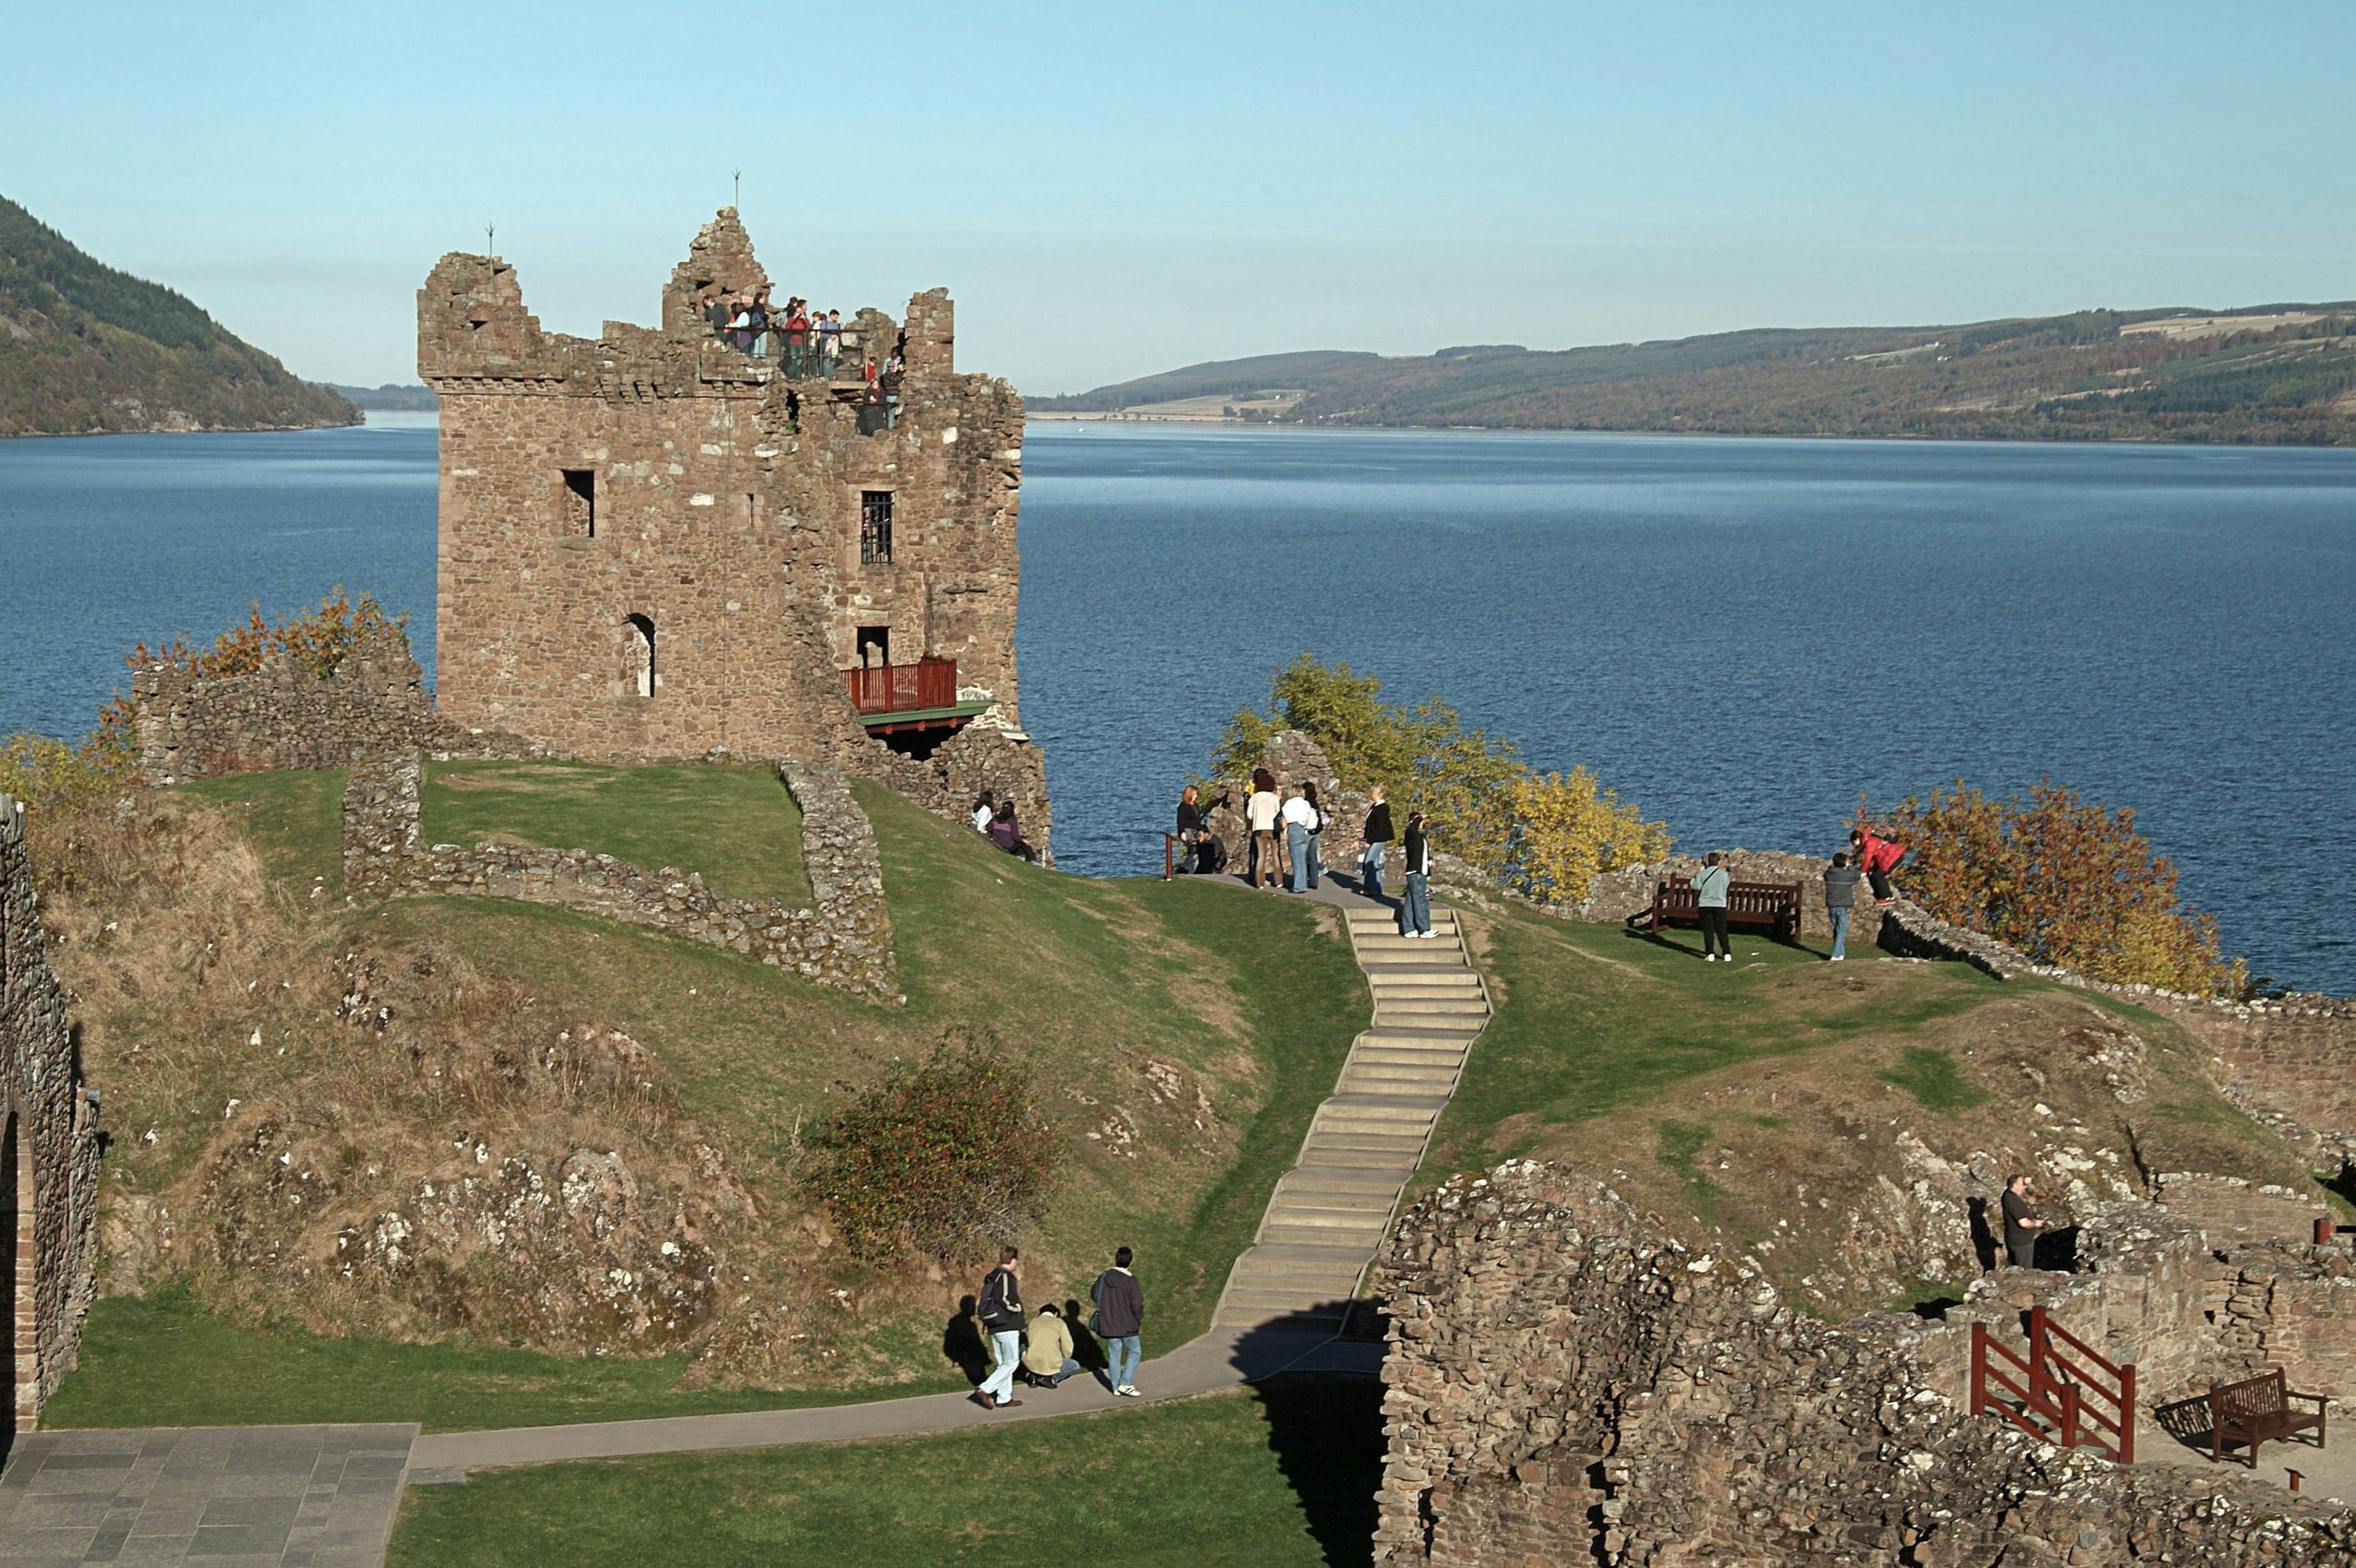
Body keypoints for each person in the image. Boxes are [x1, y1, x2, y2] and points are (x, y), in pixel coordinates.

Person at [973, 1246, 1027, 1409]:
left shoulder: (992, 1275)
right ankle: (985, 1389)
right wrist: (1016, 1308)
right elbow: (1003, 1297)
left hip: (994, 1325)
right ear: (1013, 1260)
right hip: (1007, 1323)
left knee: (1003, 1363)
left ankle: (1004, 1397)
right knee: (1011, 1362)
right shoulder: (1005, 1276)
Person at [1091, 1245, 1145, 1398]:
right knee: (1135, 1352)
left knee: (1114, 1355)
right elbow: (1137, 1303)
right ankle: (1126, 1383)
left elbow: (1095, 1295)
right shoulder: (1130, 1281)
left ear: (1116, 1259)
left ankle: (1115, 1386)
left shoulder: (1104, 1277)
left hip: (1108, 1323)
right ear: (1130, 1261)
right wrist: (1138, 1317)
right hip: (1128, 1325)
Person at [1019, 1301, 1082, 1388]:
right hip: (1050, 1361)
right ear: (1055, 1313)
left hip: (1031, 1360)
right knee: (1074, 1365)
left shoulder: (1033, 1322)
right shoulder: (1059, 1322)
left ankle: (1031, 1374)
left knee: (1024, 1347)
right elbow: (1067, 1344)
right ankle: (1050, 1379)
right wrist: (1066, 1356)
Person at [1851, 827, 1906, 907]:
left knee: (1878, 876)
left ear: (1856, 839)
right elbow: (1876, 855)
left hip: (1893, 857)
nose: (1854, 845)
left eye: (1853, 842)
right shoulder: (1870, 838)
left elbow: (1868, 858)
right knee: (1875, 875)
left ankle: (1886, 897)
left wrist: (1863, 872)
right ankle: (1884, 896)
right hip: (1892, 855)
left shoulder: (1869, 842)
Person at [1693, 851, 1732, 962]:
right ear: (1718, 862)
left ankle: (1710, 953)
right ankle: (1726, 953)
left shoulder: (1703, 873)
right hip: (1719, 904)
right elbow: (1726, 885)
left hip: (1705, 904)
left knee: (1708, 930)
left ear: (1708, 862)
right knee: (1722, 929)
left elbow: (1695, 885)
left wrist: (1698, 873)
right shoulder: (1723, 874)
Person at [1823, 851, 1862, 961]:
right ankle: (1835, 954)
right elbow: (1857, 875)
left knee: (1836, 930)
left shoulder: (1829, 874)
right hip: (1842, 905)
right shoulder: (1846, 875)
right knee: (1842, 930)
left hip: (1831, 905)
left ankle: (1841, 954)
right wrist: (1850, 867)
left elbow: (1828, 871)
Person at [1246, 769, 1282, 888]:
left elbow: (1249, 815)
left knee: (1261, 856)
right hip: (1272, 828)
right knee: (1275, 855)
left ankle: (1259, 882)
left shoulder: (1254, 798)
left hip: (1259, 828)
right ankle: (1278, 881)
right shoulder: (1274, 798)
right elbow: (1278, 812)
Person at [1400, 810, 1434, 937]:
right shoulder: (1410, 832)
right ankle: (1424, 929)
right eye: (1419, 821)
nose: (1421, 823)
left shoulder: (1420, 836)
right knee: (1420, 900)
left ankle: (1408, 929)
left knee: (1410, 901)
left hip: (1421, 871)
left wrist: (1429, 860)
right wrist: (1419, 817)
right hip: (1415, 872)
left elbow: (1421, 853)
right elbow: (1413, 826)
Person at [2001, 1174, 2044, 1268]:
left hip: (2014, 1239)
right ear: (2015, 1185)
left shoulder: (2007, 1194)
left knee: (2014, 1266)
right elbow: (2023, 1223)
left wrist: (2026, 1180)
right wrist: (2035, 1223)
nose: (2025, 1186)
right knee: (2025, 1269)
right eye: (2022, 1184)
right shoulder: (2014, 1202)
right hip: (2022, 1243)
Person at [1281, 785, 1319, 894]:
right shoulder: (1305, 803)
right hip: (1304, 829)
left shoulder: (1289, 804)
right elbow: (1310, 817)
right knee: (1302, 858)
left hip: (1293, 828)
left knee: (1296, 859)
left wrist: (1284, 832)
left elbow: (1285, 819)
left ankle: (1299, 886)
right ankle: (1302, 883)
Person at [1360, 785, 1394, 900]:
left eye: (1373, 792)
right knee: (1374, 863)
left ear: (1379, 794)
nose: (1371, 794)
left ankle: (1371, 888)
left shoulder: (1382, 808)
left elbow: (1379, 827)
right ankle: (1376, 888)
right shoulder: (1375, 807)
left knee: (1369, 862)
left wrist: (1370, 840)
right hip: (1374, 838)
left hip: (1378, 839)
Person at [1299, 781, 1327, 890]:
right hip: (1316, 831)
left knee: (1304, 855)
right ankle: (1314, 880)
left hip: (1308, 831)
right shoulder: (1314, 802)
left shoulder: (1306, 803)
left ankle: (1304, 878)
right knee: (1313, 855)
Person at [1173, 784, 1203, 874]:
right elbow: (1180, 820)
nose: (1196, 796)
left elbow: (1198, 820)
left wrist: (1201, 830)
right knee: (1193, 851)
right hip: (1187, 830)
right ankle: (1186, 869)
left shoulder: (1195, 805)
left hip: (1195, 831)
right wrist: (1182, 832)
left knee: (1196, 852)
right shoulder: (1183, 806)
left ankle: (1188, 869)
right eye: (1194, 794)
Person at [784, 301, 812, 377]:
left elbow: (809, 327)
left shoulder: (804, 318)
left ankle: (791, 371)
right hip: (793, 341)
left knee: (800, 358)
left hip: (802, 341)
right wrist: (794, 318)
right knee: (794, 358)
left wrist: (804, 319)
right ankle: (796, 375)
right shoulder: (792, 318)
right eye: (805, 305)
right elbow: (787, 327)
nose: (806, 307)